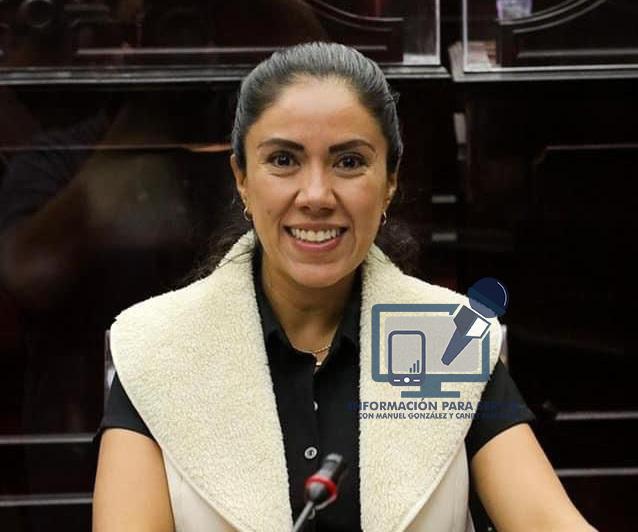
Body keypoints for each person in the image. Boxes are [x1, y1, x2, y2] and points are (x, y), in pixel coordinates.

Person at [92, 42, 595, 531]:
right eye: (283, 160)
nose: (316, 195)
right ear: (242, 177)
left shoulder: (448, 340)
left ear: (390, 182)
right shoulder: (158, 346)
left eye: (349, 162)